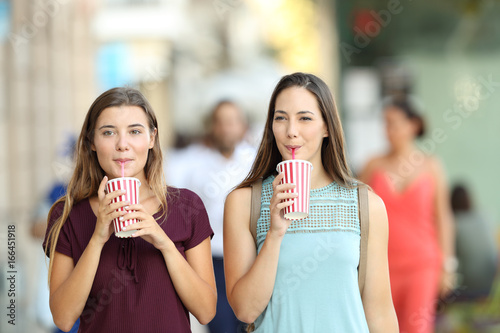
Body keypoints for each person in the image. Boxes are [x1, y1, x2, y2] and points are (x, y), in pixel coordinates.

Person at [223, 72, 398, 332]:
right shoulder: (244, 202)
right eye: (281, 118)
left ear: (327, 126)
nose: (291, 131)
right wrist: (275, 234)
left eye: (304, 118)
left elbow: (380, 313)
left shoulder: (367, 205)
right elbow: (245, 309)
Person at [43, 87, 216, 333]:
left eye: (135, 131)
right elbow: (63, 318)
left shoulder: (188, 207)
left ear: (152, 138)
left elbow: (206, 311)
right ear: (92, 141)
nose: (122, 145)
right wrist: (97, 239)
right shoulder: (67, 214)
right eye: (108, 132)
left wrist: (163, 242)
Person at [359, 99, 456, 333]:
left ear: (413, 125)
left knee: (418, 328)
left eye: (392, 123)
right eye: (384, 124)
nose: (386, 130)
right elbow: (355, 213)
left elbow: (444, 218)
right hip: (380, 266)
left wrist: (448, 266)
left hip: (422, 265)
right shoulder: (373, 165)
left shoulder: (432, 166)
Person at [165, 100, 255, 333]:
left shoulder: (255, 161)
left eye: (233, 121)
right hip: (210, 258)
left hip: (249, 257)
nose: (227, 128)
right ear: (212, 126)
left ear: (243, 126)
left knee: (249, 323)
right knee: (221, 325)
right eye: (221, 122)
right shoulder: (193, 163)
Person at [451, 184, 498, 300]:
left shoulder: (454, 224)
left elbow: (450, 257)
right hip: (492, 287)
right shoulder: (485, 216)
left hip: (469, 290)